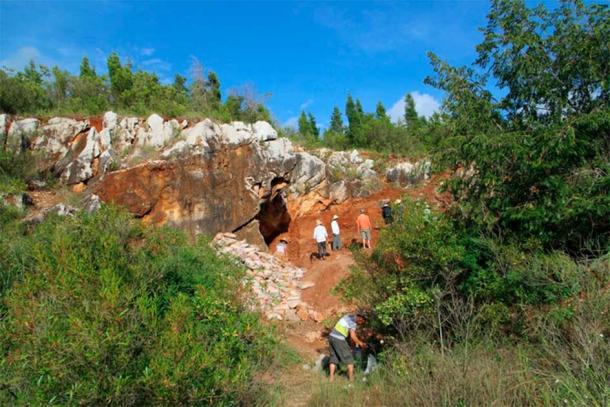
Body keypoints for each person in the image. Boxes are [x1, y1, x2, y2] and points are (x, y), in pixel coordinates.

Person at [328, 313, 367, 382]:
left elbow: (349, 337)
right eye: (361, 322)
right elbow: (353, 336)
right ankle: (351, 380)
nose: (360, 323)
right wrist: (361, 344)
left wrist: (351, 346)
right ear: (360, 317)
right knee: (350, 360)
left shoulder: (348, 316)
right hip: (339, 339)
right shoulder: (353, 323)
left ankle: (331, 379)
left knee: (334, 358)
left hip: (331, 337)